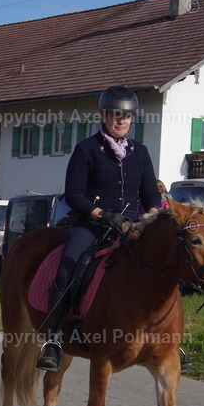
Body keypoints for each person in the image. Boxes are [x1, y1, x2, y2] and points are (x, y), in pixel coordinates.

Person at [36, 85, 164, 372]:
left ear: (132, 119)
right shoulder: (86, 150)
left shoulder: (140, 153)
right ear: (104, 116)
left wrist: (152, 214)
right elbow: (74, 195)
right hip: (92, 225)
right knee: (67, 269)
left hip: (131, 227)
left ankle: (168, 340)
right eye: (115, 114)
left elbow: (151, 195)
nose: (121, 120)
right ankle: (53, 341)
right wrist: (103, 214)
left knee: (166, 265)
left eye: (126, 116)